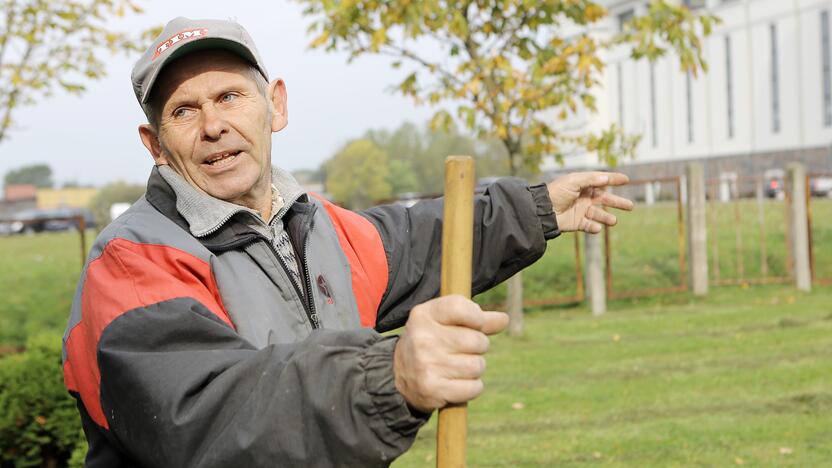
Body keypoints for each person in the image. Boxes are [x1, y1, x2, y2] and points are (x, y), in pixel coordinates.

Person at [62, 17, 634, 467]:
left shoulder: (322, 228)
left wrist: (535, 209)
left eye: (231, 97)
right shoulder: (130, 265)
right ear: (155, 144)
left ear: (276, 105)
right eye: (185, 110)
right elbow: (206, 413)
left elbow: (420, 239)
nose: (214, 125)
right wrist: (389, 377)